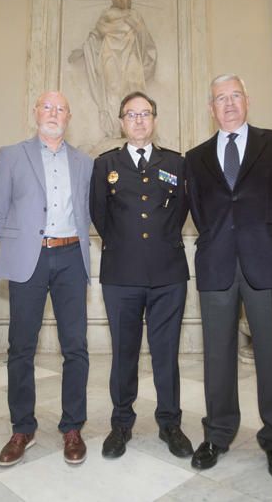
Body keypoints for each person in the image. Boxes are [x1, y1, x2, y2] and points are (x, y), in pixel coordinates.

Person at [184, 74, 272, 480]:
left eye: (235, 95)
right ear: (211, 108)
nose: (229, 103)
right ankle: (218, 434)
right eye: (221, 98)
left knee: (271, 356)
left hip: (266, 264)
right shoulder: (195, 156)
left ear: (247, 100)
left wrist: (271, 241)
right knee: (217, 356)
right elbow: (199, 212)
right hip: (216, 265)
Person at [0, 91, 93, 466]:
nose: (53, 113)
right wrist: (22, 246)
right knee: (21, 346)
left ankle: (72, 426)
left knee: (76, 347)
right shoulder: (11, 155)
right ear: (35, 113)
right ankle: (22, 428)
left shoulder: (85, 162)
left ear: (69, 116)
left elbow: (90, 212)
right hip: (29, 260)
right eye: (46, 107)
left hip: (70, 258)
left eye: (60, 108)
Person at [90, 91, 193, 459]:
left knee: (166, 353)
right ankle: (121, 424)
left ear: (154, 119)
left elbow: (180, 213)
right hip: (120, 274)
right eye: (131, 115)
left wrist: (158, 244)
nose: (138, 121)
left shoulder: (177, 163)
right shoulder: (105, 165)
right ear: (121, 122)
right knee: (124, 353)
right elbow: (100, 216)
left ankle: (170, 424)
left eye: (145, 114)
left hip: (168, 274)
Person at [69, 0, 157, 139]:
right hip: (110, 57)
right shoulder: (107, 15)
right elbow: (94, 37)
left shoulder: (135, 17)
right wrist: (81, 51)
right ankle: (115, 132)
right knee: (112, 92)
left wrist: (147, 61)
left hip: (130, 59)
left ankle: (132, 133)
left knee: (133, 91)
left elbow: (146, 42)